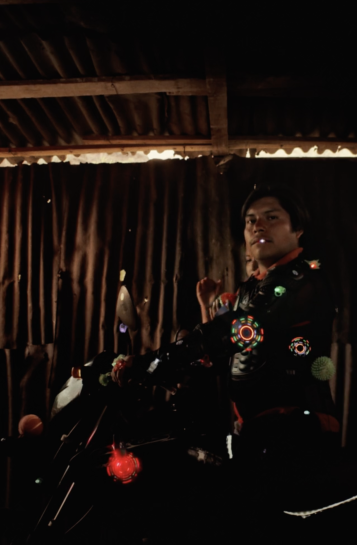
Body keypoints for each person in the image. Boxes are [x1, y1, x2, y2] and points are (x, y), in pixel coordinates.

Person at [112, 183, 339, 513]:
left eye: (271, 217)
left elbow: (235, 332)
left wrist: (153, 362)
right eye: (250, 221)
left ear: (297, 228)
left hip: (296, 427)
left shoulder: (298, 279)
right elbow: (225, 355)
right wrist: (178, 369)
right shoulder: (251, 289)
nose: (258, 226)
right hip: (255, 428)